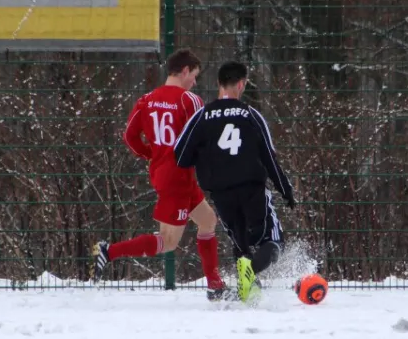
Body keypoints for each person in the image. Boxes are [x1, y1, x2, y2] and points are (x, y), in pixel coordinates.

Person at [91, 49, 228, 301]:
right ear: (185, 70)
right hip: (179, 178)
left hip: (165, 174)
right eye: (194, 76)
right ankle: (109, 252)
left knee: (208, 220)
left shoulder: (147, 99)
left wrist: (153, 154)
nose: (194, 82)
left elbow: (130, 137)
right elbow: (203, 139)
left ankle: (215, 285)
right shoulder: (190, 100)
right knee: (168, 242)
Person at [173, 60, 296, 303]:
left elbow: (181, 155)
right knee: (273, 242)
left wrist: (206, 156)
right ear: (241, 84)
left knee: (241, 243)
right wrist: (285, 189)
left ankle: (249, 292)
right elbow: (269, 159)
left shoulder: (202, 115)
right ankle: (249, 274)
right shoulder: (251, 115)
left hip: (221, 193)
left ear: (219, 84)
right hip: (252, 190)